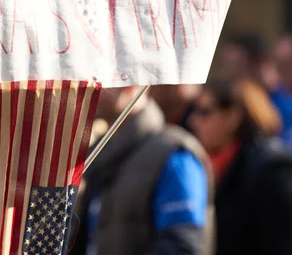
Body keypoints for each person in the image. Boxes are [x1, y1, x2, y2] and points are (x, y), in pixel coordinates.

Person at [68, 87, 214, 255]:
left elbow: (182, 245)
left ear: (131, 85)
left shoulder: (173, 153)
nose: (87, 87)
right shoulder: (102, 155)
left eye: (98, 79)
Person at [191, 80, 292, 255]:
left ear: (232, 117)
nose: (194, 121)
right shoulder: (209, 167)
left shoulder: (275, 170)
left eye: (205, 112)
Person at [222, 33, 292, 160]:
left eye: (237, 66)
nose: (230, 74)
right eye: (227, 65)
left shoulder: (290, 106)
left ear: (258, 62)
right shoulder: (236, 103)